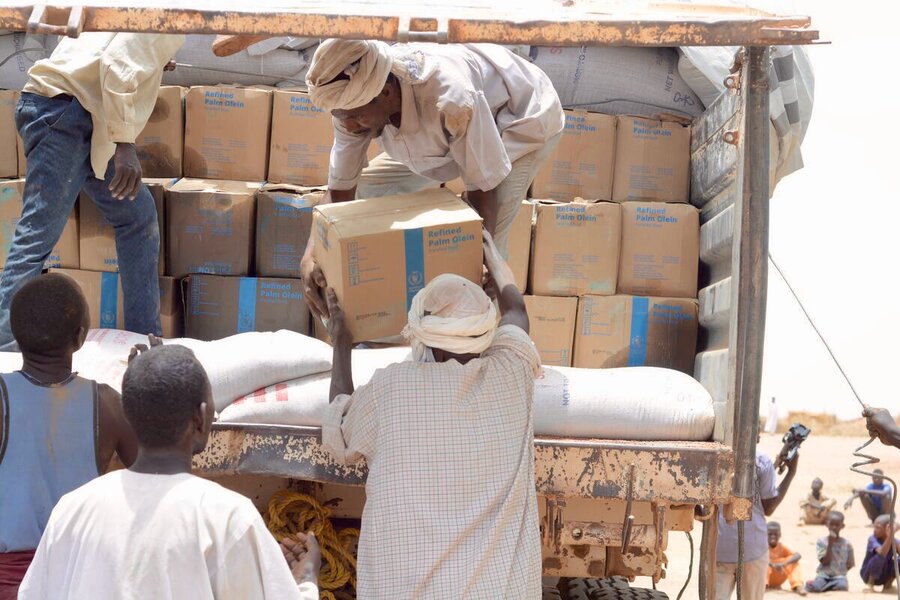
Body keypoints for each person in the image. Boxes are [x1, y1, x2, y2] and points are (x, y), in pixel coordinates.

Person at [321, 230, 541, 598]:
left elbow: (340, 427)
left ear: (429, 344)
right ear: (486, 335)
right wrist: (491, 254)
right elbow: (517, 311)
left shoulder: (392, 389)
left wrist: (341, 344)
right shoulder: (512, 374)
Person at [18, 345, 321, 599]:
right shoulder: (228, 518)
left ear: (130, 416)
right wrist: (306, 581)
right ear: (201, 419)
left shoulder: (72, 510)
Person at [299, 38, 564, 320]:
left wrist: (473, 255)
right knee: (363, 195)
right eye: (343, 117)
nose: (350, 125)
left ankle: (481, 343)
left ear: (386, 93)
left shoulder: (452, 99)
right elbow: (340, 191)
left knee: (483, 257)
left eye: (356, 117)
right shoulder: (351, 103)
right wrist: (312, 252)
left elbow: (484, 190)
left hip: (518, 123)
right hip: (443, 140)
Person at [0, 32, 185, 351]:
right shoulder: (165, 15)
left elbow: (107, 53)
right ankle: (4, 350)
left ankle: (145, 338)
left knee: (137, 217)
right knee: (37, 236)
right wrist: (125, 145)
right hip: (64, 115)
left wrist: (151, 61)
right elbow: (116, 64)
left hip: (80, 117)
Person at [0, 273, 137, 600]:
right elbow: (156, 473)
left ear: (16, 336)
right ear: (80, 338)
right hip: (78, 579)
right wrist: (144, 389)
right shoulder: (108, 404)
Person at [715, 440, 799, 600]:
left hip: (719, 547)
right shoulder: (761, 461)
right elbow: (769, 507)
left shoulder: (714, 457)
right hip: (752, 550)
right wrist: (791, 473)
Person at [807, 511, 854, 593]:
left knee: (842, 586)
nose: (834, 527)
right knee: (816, 587)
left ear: (842, 526)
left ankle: (825, 586)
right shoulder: (822, 542)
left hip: (839, 576)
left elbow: (850, 564)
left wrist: (840, 572)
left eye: (837, 525)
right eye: (831, 524)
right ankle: (817, 585)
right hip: (823, 574)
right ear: (826, 524)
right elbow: (824, 561)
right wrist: (830, 544)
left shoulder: (847, 544)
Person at [860, 514, 900, 593]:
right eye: (874, 527)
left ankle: (888, 585)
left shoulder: (894, 541)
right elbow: (882, 552)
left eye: (878, 527)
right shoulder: (872, 539)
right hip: (868, 574)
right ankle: (870, 585)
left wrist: (892, 535)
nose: (874, 530)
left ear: (887, 528)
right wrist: (890, 536)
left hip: (884, 575)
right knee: (880, 557)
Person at [766, 521, 807, 596]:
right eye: (770, 534)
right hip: (765, 578)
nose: (773, 536)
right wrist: (772, 565)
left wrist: (783, 564)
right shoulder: (762, 548)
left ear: (780, 535)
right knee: (762, 562)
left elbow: (797, 555)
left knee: (793, 561)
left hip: (779, 574)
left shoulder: (781, 547)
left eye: (776, 534)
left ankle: (797, 585)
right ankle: (764, 586)